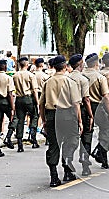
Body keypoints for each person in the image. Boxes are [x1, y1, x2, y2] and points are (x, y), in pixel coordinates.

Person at [39, 55, 82, 187]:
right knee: (72, 140)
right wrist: (79, 120)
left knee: (53, 145)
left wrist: (44, 120)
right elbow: (76, 104)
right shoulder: (70, 82)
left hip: (52, 115)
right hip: (68, 114)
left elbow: (41, 104)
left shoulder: (48, 82)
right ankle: (67, 168)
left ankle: (53, 176)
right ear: (65, 66)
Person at [82, 53, 109, 169]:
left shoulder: (80, 76)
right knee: (106, 129)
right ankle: (101, 154)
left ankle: (85, 163)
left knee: (86, 133)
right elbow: (106, 96)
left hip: (83, 107)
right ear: (96, 63)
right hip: (97, 107)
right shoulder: (100, 77)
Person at [68, 54, 94, 176]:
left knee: (70, 138)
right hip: (81, 110)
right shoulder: (83, 79)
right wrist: (90, 115)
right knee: (86, 136)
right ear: (80, 64)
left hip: (68, 111)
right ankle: (85, 162)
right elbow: (86, 99)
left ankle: (68, 163)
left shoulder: (67, 78)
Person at [0, 60, 18, 155]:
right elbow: (10, 94)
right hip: (5, 101)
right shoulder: (8, 78)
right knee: (15, 118)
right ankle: (8, 136)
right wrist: (12, 108)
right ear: (5, 67)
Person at [13, 57, 40, 152]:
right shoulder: (30, 75)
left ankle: (20, 144)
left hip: (19, 99)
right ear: (27, 65)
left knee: (20, 120)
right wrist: (37, 102)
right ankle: (33, 134)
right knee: (35, 115)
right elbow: (35, 90)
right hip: (28, 98)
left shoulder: (15, 75)